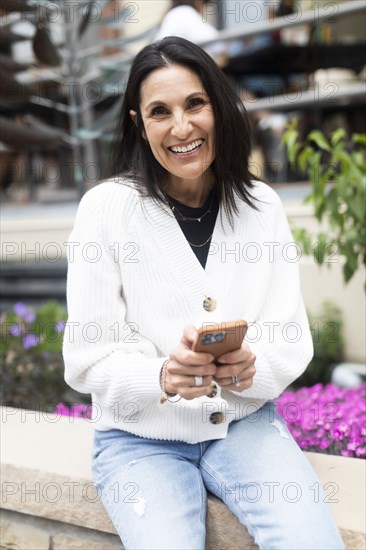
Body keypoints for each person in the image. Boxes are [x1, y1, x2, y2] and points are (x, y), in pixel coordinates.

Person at [63, 37, 344, 550]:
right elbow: (86, 359)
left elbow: (291, 337)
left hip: (244, 425)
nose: (182, 127)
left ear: (219, 105)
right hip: (140, 440)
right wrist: (162, 376)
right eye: (160, 111)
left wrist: (250, 366)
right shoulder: (104, 210)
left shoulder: (262, 206)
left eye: (195, 103)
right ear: (137, 124)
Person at [154, 0, 228, 66]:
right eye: (204, 3)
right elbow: (219, 45)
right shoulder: (185, 13)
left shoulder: (171, 15)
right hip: (180, 65)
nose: (203, 8)